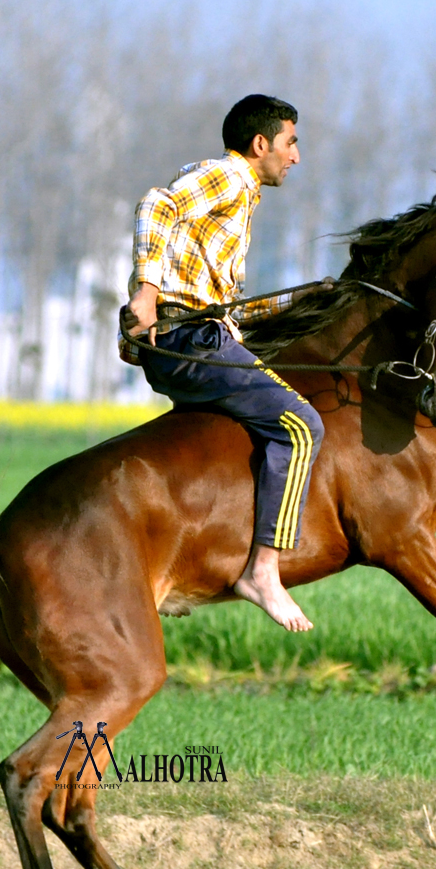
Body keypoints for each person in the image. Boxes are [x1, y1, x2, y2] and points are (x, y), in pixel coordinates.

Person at [121, 94, 328, 633]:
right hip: (192, 342)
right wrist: (146, 293)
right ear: (262, 144)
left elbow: (224, 306)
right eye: (291, 143)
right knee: (302, 425)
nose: (296, 157)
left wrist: (306, 300)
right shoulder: (230, 178)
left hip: (194, 336)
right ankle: (263, 569)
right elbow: (155, 206)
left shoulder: (237, 194)